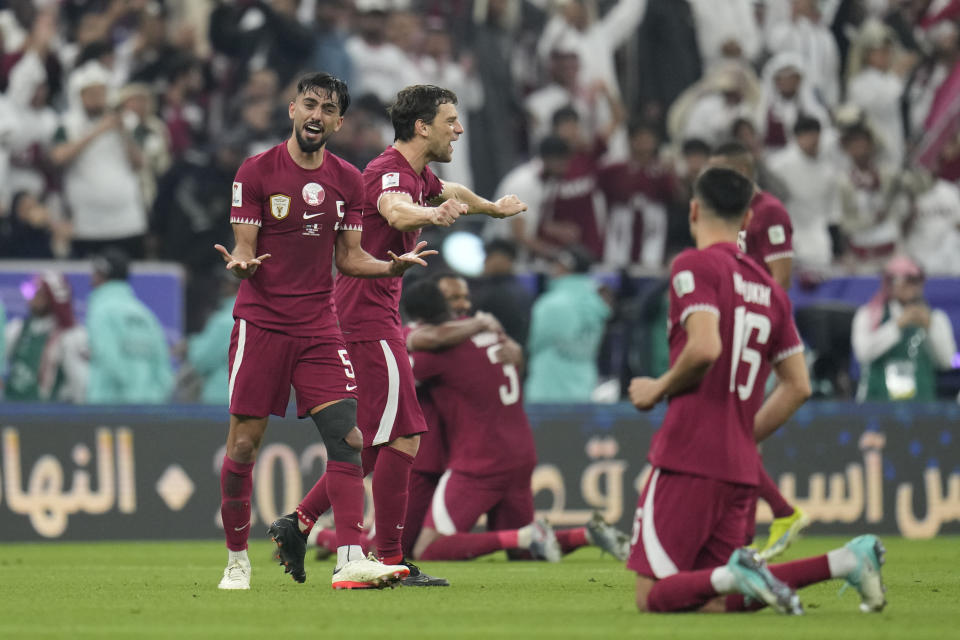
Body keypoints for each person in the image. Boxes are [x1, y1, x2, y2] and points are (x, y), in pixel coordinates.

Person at [291, 84, 527, 587]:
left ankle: (299, 523)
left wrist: (491, 208)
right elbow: (395, 209)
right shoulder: (388, 172)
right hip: (366, 320)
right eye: (450, 121)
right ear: (422, 127)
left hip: (369, 317)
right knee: (404, 437)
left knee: (378, 443)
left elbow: (450, 193)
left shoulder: (417, 172)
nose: (458, 129)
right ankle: (390, 556)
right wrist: (430, 216)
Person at [626, 167, 885, 615]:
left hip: (688, 455)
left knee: (653, 597)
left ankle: (739, 570)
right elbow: (798, 385)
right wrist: (744, 435)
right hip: (741, 468)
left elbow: (705, 347)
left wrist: (657, 387)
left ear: (693, 210)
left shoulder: (693, 265)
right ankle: (843, 561)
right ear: (748, 220)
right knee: (712, 601)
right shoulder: (771, 290)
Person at [213, 72, 433, 591]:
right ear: (292, 110)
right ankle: (236, 559)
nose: (316, 115)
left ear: (338, 121)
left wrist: (390, 267)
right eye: (308, 104)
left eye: (327, 109)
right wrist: (243, 264)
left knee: (349, 438)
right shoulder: (256, 170)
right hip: (261, 323)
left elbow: (351, 258)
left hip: (319, 326)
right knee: (244, 446)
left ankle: (350, 556)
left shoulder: (349, 179)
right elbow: (244, 243)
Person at [402, 277, 629, 564]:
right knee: (522, 554)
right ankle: (585, 535)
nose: (461, 305)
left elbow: (393, 372)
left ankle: (524, 535)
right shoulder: (497, 336)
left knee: (428, 549)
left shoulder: (442, 350)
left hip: (478, 461)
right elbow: (510, 362)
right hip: (520, 455)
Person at [709, 142, 809, 560]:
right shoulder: (729, 215)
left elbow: (779, 280)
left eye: (719, 173)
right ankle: (744, 540)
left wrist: (758, 324)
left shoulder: (770, 213)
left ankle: (781, 513)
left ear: (742, 169)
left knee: (731, 434)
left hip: (755, 332)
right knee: (740, 436)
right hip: (735, 327)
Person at [852, 255, 957, 401]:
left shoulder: (936, 318)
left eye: (914, 281)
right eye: (904, 280)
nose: (910, 287)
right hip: (877, 405)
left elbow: (948, 361)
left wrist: (930, 328)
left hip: (923, 408)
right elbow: (863, 354)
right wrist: (897, 325)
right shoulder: (869, 314)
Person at [85, 249, 173, 405]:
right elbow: (163, 369)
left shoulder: (101, 311)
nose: (92, 278)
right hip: (149, 410)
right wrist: (151, 397)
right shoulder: (146, 314)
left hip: (108, 409)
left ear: (101, 274)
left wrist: (127, 397)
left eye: (95, 272)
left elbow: (107, 357)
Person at [525, 246, 610, 403]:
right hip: (583, 388)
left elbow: (533, 345)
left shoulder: (552, 304)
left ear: (563, 268)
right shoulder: (596, 303)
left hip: (547, 392)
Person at [4, 271, 88, 403]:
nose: (30, 298)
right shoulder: (17, 329)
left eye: (36, 293)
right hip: (12, 413)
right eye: (28, 291)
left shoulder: (69, 336)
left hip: (48, 416)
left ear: (51, 298)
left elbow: (80, 383)